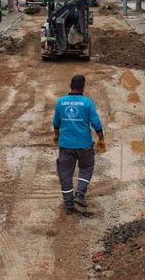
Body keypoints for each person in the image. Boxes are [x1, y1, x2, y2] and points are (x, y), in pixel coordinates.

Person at [52, 74, 105, 214]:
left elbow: (56, 123)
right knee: (87, 167)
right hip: (84, 144)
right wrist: (101, 139)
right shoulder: (87, 102)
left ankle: (69, 205)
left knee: (65, 174)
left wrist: (57, 136)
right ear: (83, 87)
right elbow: (96, 122)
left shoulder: (60, 102)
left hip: (66, 145)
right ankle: (80, 194)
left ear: (70, 86)